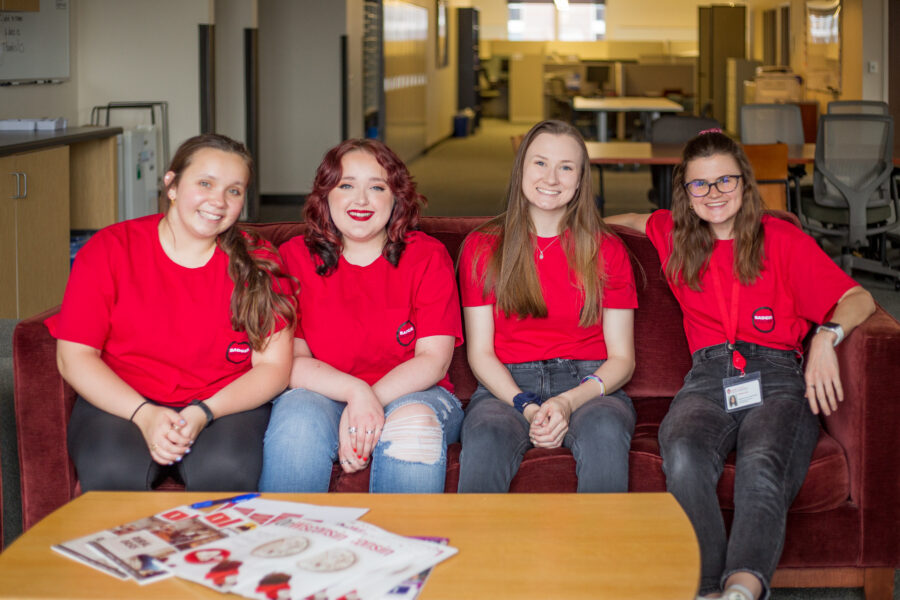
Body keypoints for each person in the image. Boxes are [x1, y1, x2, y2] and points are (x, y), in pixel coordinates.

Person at [606, 130, 875, 600]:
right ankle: (709, 589)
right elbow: (623, 219)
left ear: (745, 184)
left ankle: (743, 589)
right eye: (700, 185)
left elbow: (858, 297)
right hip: (708, 378)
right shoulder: (672, 233)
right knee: (683, 451)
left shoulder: (782, 239)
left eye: (725, 181)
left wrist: (826, 339)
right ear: (685, 195)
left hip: (776, 376)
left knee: (762, 462)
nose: (714, 194)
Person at [50, 133, 296, 492]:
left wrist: (202, 413)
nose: (218, 201)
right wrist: (144, 414)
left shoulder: (260, 261)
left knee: (225, 470)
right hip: (122, 400)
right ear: (172, 184)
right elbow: (74, 357)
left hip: (221, 404)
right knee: (112, 470)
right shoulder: (109, 249)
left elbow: (273, 368)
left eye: (234, 190)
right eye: (205, 183)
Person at [258, 138, 464, 494]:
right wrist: (356, 393)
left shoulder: (428, 257)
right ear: (326, 195)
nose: (361, 200)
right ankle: (286, 543)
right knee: (297, 421)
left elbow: (432, 360)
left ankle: (404, 548)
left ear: (397, 197)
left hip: (414, 394)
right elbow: (292, 360)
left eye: (377, 187)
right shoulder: (293, 257)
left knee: (412, 425)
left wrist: (369, 402)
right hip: (318, 394)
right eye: (347, 185)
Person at [456, 119, 638, 493]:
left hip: (588, 384)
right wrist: (526, 404)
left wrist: (568, 402)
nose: (551, 178)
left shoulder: (607, 250)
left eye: (566, 167)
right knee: (486, 438)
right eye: (540, 163)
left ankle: (599, 553)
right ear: (521, 167)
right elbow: (481, 353)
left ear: (580, 178)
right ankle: (482, 552)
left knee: (605, 432)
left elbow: (622, 359)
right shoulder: (482, 248)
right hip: (504, 386)